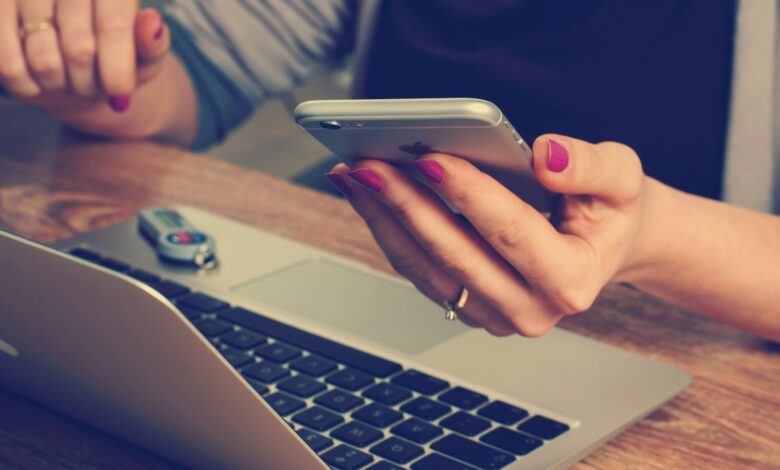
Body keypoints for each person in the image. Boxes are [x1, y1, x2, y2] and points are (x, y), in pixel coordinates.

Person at [1, 1, 778, 341]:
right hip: (379, 305)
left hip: (699, 375)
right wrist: (89, 61)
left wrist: (652, 238)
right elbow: (194, 75)